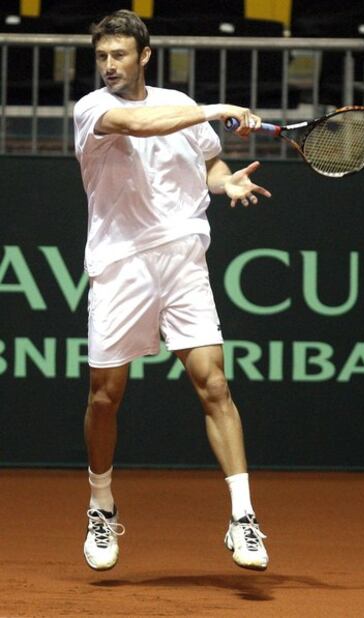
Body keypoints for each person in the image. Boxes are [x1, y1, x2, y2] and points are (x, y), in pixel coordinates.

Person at [73, 9, 271, 573]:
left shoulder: (178, 102)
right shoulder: (93, 109)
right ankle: (102, 504)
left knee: (214, 383)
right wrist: (213, 109)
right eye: (102, 56)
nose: (109, 65)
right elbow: (141, 126)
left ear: (145, 56)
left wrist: (224, 180)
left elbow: (207, 158)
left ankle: (243, 517)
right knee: (105, 397)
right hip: (120, 267)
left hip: (184, 259)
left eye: (119, 55)